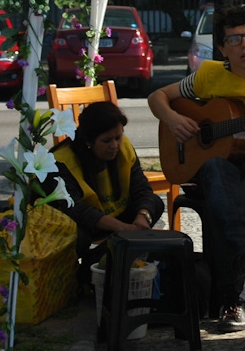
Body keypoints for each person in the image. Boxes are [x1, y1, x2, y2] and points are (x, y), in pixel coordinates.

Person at [148, 4, 245, 333]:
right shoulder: (208, 76)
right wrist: (173, 119)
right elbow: (157, 96)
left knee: (223, 204)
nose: (244, 46)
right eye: (234, 40)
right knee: (217, 169)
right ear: (221, 48)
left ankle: (232, 296)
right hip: (217, 168)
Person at [44, 101, 164, 287]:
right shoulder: (62, 161)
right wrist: (122, 228)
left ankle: (113, 254)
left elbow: (142, 188)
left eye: (118, 137)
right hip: (85, 223)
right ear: (88, 141)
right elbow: (77, 209)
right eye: (107, 141)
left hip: (114, 217)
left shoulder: (124, 148)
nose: (115, 145)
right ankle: (88, 268)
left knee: (154, 203)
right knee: (78, 235)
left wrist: (142, 216)